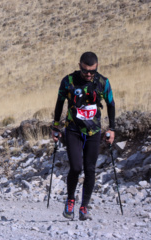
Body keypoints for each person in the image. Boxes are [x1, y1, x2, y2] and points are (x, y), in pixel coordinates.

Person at [51, 52, 115, 220]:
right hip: (73, 130)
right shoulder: (68, 81)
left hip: (94, 131)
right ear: (79, 65)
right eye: (86, 71)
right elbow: (59, 102)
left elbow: (111, 104)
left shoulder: (103, 82)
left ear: (97, 67)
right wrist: (55, 126)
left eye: (92, 71)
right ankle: (70, 199)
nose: (89, 74)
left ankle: (84, 207)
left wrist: (112, 129)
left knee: (90, 169)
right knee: (76, 167)